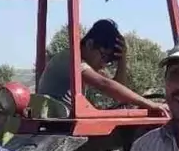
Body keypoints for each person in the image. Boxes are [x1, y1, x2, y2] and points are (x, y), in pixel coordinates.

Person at [36, 18, 169, 116]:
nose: (103, 65)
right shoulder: (69, 59)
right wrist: (150, 104)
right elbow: (105, 84)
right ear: (89, 44)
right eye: (104, 57)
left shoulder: (85, 65)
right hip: (56, 124)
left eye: (109, 61)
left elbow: (117, 90)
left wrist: (122, 59)